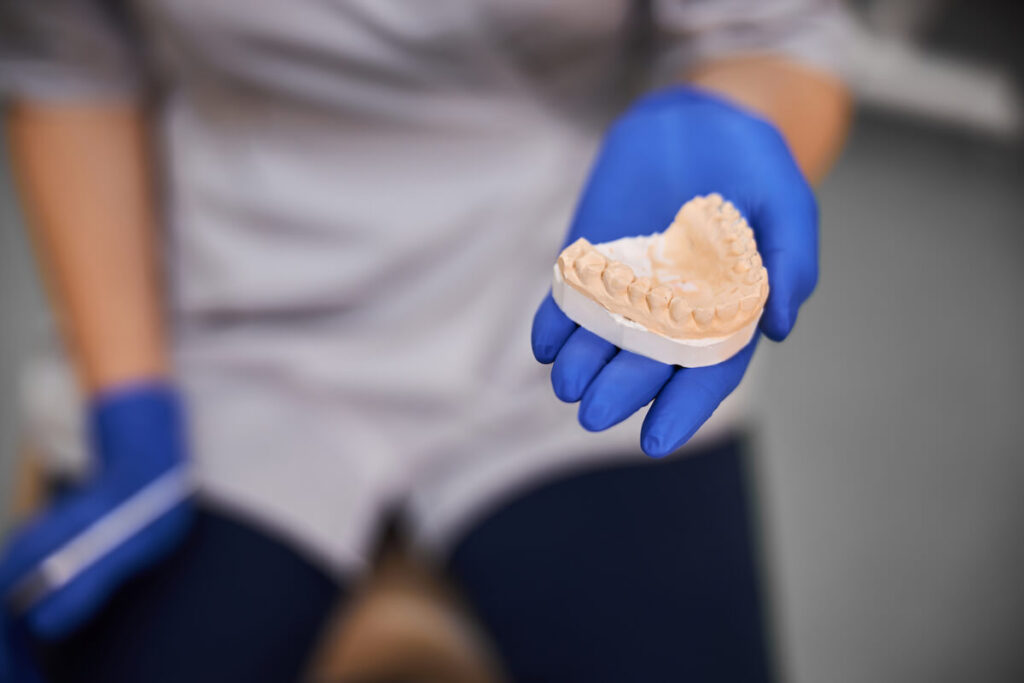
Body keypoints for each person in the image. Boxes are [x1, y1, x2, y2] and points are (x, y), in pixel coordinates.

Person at [0, 1, 851, 681]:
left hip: (568, 312)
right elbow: (69, 58)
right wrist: (131, 401)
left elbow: (773, 35)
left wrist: (731, 118)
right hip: (229, 323)